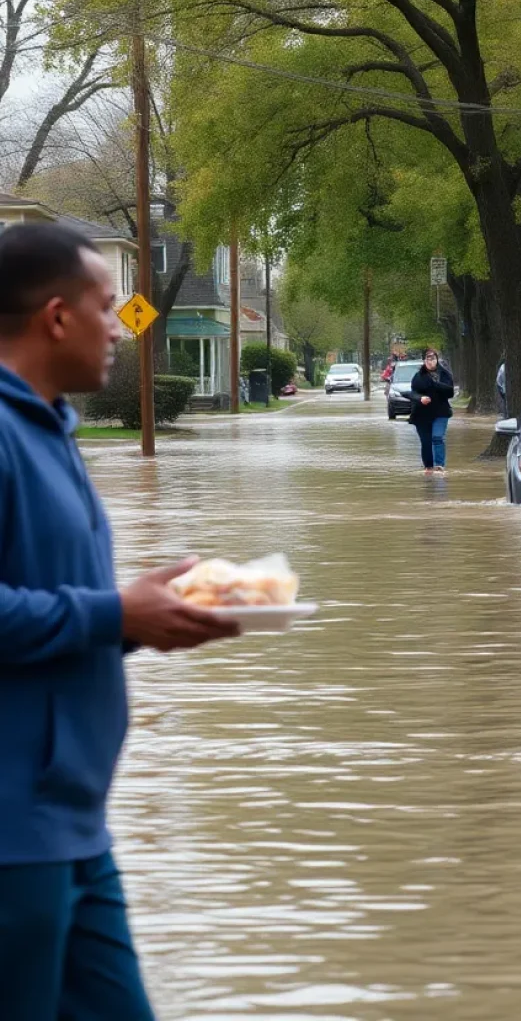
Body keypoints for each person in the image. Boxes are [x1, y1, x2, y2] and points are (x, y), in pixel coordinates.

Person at [0, 223, 239, 1020]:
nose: (122, 326)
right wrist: (112, 611)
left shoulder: (49, 428)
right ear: (57, 317)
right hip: (11, 838)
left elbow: (48, 608)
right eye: (109, 308)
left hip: (74, 828)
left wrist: (144, 614)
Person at [409, 347, 454, 475]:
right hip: (422, 414)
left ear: (437, 360)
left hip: (441, 412)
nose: (430, 362)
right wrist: (420, 398)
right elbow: (413, 393)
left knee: (437, 437)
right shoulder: (418, 377)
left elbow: (450, 392)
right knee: (426, 441)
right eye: (427, 359)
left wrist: (434, 384)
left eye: (433, 358)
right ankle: (428, 467)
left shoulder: (444, 374)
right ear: (423, 361)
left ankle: (439, 465)